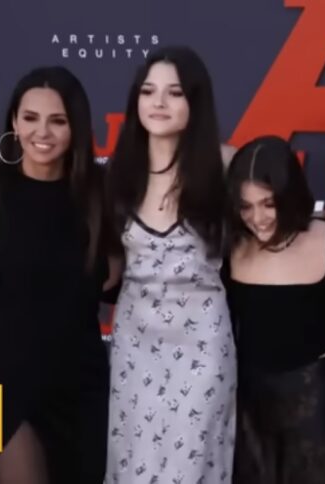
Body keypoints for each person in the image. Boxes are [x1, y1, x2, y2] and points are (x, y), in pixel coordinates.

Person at [0, 66, 114, 483]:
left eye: (58, 120)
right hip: (3, 389)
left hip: (82, 392)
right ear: (14, 122)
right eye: (30, 118)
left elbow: (115, 289)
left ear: (77, 127)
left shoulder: (101, 193)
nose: (42, 132)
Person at [104, 45, 236, 484]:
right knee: (132, 462)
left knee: (191, 465)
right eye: (148, 91)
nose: (158, 102)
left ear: (195, 101)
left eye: (174, 92)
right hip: (133, 344)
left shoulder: (227, 166)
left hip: (202, 343)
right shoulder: (118, 172)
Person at [222, 136, 325, 484]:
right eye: (245, 206)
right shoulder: (231, 245)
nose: (257, 218)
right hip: (249, 399)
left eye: (269, 203)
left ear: (289, 196)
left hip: (313, 398)